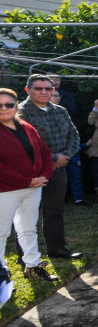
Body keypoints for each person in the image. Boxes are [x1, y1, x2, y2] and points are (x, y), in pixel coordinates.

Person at [16, 74, 82, 261]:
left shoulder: (60, 111)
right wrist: (53, 158)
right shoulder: (21, 112)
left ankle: (57, 249)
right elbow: (24, 144)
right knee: (27, 215)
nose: (44, 92)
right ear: (28, 90)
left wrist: (65, 156)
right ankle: (25, 255)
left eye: (48, 88)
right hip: (32, 171)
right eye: (39, 88)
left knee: (55, 211)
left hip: (59, 169)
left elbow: (74, 136)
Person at [0, 87, 57, 281]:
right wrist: (27, 180)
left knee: (28, 228)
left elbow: (44, 153)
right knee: (1, 232)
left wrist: (44, 175)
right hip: (6, 190)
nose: (4, 109)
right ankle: (2, 275)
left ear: (16, 106)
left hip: (32, 188)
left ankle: (32, 266)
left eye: (9, 104)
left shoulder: (26, 126)